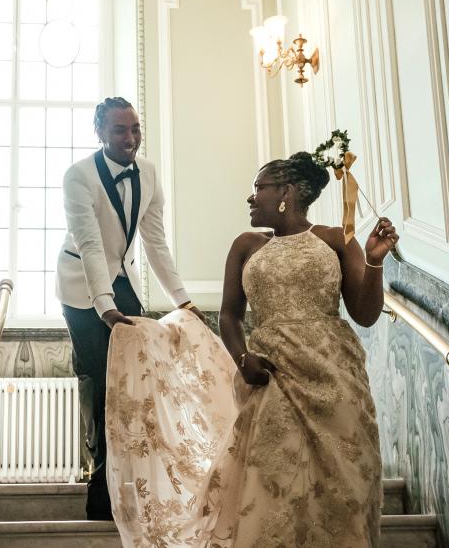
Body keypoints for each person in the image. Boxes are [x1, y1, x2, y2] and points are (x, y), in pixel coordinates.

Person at [102, 150, 399, 547]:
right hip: (273, 376)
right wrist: (242, 359)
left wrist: (376, 261)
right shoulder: (246, 245)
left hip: (335, 377)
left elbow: (364, 313)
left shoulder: (335, 239)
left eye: (259, 187)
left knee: (343, 483)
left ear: (286, 193)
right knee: (274, 484)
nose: (251, 197)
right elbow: (229, 316)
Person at [56, 96, 204, 521]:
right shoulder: (77, 176)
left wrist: (183, 301)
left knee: (138, 381)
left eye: (135, 129)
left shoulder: (150, 173)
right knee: (101, 382)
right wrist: (104, 307)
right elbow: (88, 244)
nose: (131, 138)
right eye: (120, 130)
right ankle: (98, 490)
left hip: (121, 278)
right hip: (79, 286)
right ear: (99, 132)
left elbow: (156, 242)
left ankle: (140, 479)